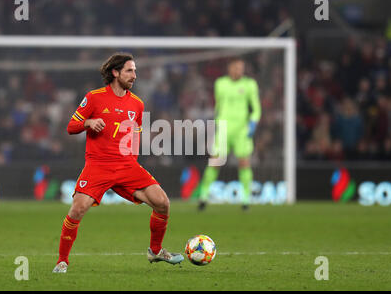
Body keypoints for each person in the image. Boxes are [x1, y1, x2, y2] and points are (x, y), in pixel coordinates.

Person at [53, 52, 183, 273]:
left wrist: (132, 161)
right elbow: (71, 127)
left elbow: (135, 136)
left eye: (135, 71)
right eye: (129, 71)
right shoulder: (94, 97)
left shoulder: (137, 104)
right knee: (78, 209)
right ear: (115, 72)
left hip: (126, 166)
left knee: (163, 203)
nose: (134, 75)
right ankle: (62, 261)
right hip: (98, 165)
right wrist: (88, 122)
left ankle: (155, 250)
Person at [198, 57, 261, 211]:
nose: (239, 70)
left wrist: (252, 122)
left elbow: (256, 108)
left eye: (241, 68)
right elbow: (218, 105)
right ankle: (203, 196)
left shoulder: (250, 84)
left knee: (244, 162)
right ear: (230, 68)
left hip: (242, 130)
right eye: (236, 67)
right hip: (224, 128)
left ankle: (246, 200)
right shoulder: (220, 84)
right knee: (215, 161)